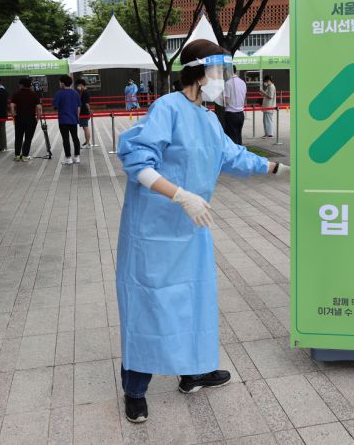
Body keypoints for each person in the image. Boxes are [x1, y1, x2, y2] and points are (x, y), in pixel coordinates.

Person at [115, 39, 289, 423]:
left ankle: (193, 372)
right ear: (199, 70)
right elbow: (137, 160)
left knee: (194, 300)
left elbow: (232, 155)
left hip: (192, 230)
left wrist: (279, 169)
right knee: (151, 303)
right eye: (218, 72)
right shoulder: (167, 108)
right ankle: (135, 387)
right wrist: (180, 195)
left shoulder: (208, 117)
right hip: (155, 230)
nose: (223, 80)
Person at [10, 77, 41, 162]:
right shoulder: (34, 94)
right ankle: (25, 156)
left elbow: (12, 105)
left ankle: (17, 155)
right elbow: (38, 107)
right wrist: (38, 118)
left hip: (19, 118)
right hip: (31, 119)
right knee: (28, 138)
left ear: (21, 85)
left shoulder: (16, 94)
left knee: (18, 137)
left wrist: (13, 114)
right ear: (30, 85)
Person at [53, 75, 82, 165]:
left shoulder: (59, 93)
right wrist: (76, 117)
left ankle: (68, 158)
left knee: (65, 139)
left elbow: (55, 107)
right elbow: (78, 107)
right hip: (73, 119)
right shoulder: (75, 93)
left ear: (62, 83)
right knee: (75, 137)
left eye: (60, 82)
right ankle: (77, 157)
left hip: (63, 120)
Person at [222, 65, 247, 145]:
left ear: (229, 71)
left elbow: (227, 100)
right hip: (241, 114)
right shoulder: (242, 82)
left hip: (231, 113)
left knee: (232, 138)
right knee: (238, 137)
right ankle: (240, 155)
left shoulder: (228, 83)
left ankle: (235, 156)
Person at [76, 78, 92, 148]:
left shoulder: (85, 92)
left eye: (78, 85)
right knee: (84, 127)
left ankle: (88, 143)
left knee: (85, 127)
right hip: (83, 112)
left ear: (81, 85)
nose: (78, 87)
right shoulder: (83, 91)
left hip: (84, 112)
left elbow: (86, 103)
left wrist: (89, 111)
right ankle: (87, 141)